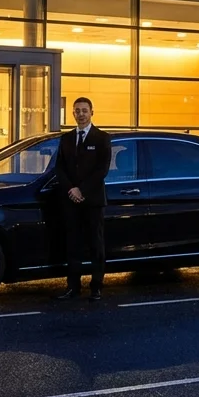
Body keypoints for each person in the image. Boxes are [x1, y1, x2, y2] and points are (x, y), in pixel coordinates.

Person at [56, 97, 112, 300]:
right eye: (77, 111)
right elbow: (59, 168)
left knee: (96, 245)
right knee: (73, 245)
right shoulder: (66, 139)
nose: (80, 114)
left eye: (84, 110)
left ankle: (96, 286)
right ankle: (73, 287)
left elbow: (102, 170)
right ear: (73, 114)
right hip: (71, 201)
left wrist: (82, 190)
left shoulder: (102, 138)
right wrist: (71, 189)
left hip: (93, 201)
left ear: (91, 113)